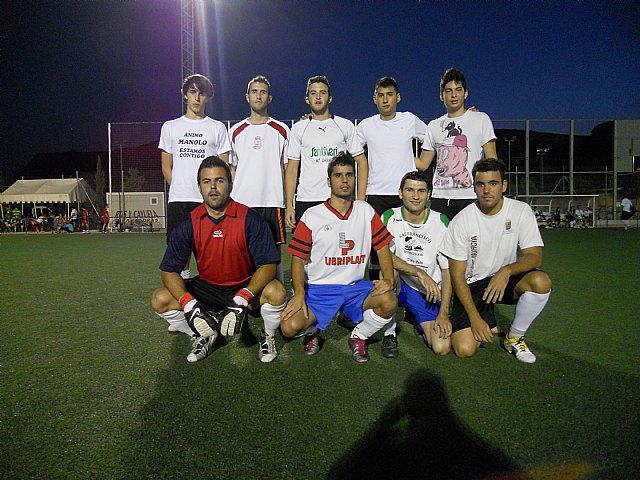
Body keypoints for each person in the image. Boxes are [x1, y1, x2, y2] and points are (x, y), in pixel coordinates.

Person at [150, 156, 287, 363]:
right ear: (199, 187)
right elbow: (169, 270)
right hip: (208, 288)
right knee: (160, 299)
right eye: (207, 182)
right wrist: (189, 305)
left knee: (277, 292)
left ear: (230, 184)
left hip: (243, 284)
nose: (213, 187)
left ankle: (267, 336)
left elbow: (268, 265)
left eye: (219, 181)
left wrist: (243, 297)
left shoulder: (250, 218)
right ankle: (202, 335)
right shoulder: (190, 222)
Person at [281, 152, 397, 363]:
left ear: (355, 178)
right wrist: (298, 294)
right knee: (288, 327)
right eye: (338, 175)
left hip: (354, 288)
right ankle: (311, 332)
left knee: (389, 301)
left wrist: (388, 278)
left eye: (349, 175)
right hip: (319, 290)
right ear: (328, 181)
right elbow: (297, 258)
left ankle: (358, 336)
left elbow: (382, 247)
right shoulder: (312, 215)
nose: (344, 180)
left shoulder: (365, 211)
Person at [440, 158, 552, 363]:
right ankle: (485, 319)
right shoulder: (462, 220)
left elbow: (535, 256)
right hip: (472, 286)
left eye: (493, 183)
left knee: (540, 282)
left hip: (503, 280)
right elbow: (457, 277)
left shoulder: (520, 211)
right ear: (474, 187)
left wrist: (506, 271)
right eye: (480, 184)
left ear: (504, 185)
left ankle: (515, 337)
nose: (486, 190)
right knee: (464, 350)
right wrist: (475, 320)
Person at [159, 73, 232, 279]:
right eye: (192, 92)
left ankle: (211, 297)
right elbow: (166, 166)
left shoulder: (217, 128)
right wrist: (180, 187)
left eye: (202, 94)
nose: (197, 98)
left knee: (210, 253)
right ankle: (185, 301)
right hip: (179, 200)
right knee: (179, 257)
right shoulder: (170, 127)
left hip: (207, 201)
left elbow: (223, 167)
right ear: (185, 95)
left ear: (207, 97)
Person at [356, 76, 428, 280]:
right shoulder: (366, 125)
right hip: (376, 195)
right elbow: (345, 142)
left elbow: (434, 136)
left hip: (403, 195)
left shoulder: (409, 120)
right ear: (374, 99)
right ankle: (374, 298)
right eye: (381, 95)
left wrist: (421, 162)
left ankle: (411, 296)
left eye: (389, 95)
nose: (385, 100)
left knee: (408, 247)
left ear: (398, 97)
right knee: (376, 249)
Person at [381, 170, 452, 357]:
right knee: (387, 272)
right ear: (400, 192)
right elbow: (385, 256)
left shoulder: (441, 222)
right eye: (410, 190)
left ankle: (416, 317)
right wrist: (419, 272)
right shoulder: (389, 217)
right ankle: (389, 333)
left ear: (429, 195)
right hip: (401, 283)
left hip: (427, 292)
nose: (415, 196)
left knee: (441, 347)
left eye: (421, 191)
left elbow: (447, 271)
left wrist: (444, 313)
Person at [285, 75, 368, 230]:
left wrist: (360, 201)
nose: (318, 97)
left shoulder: (345, 125)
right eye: (313, 93)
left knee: (339, 250)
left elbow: (362, 163)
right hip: (307, 199)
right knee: (306, 253)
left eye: (322, 93)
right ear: (307, 99)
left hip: (338, 199)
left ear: (329, 98)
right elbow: (291, 169)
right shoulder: (298, 128)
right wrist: (289, 205)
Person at [228, 76, 290, 283]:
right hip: (242, 204)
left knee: (274, 254)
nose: (258, 95)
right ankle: (242, 299)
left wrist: (288, 202)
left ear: (269, 98)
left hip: (272, 201)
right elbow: (232, 169)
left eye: (263, 92)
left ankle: (278, 295)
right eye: (254, 91)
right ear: (247, 97)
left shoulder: (282, 130)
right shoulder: (235, 131)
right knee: (241, 252)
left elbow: (287, 168)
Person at [417, 68, 497, 221]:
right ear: (441, 96)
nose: (454, 95)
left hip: (471, 195)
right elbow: (423, 163)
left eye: (458, 90)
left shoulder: (481, 119)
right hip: (440, 197)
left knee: (472, 244)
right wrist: (396, 151)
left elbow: (492, 161)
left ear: (465, 93)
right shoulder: (434, 125)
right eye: (448, 91)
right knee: (442, 245)